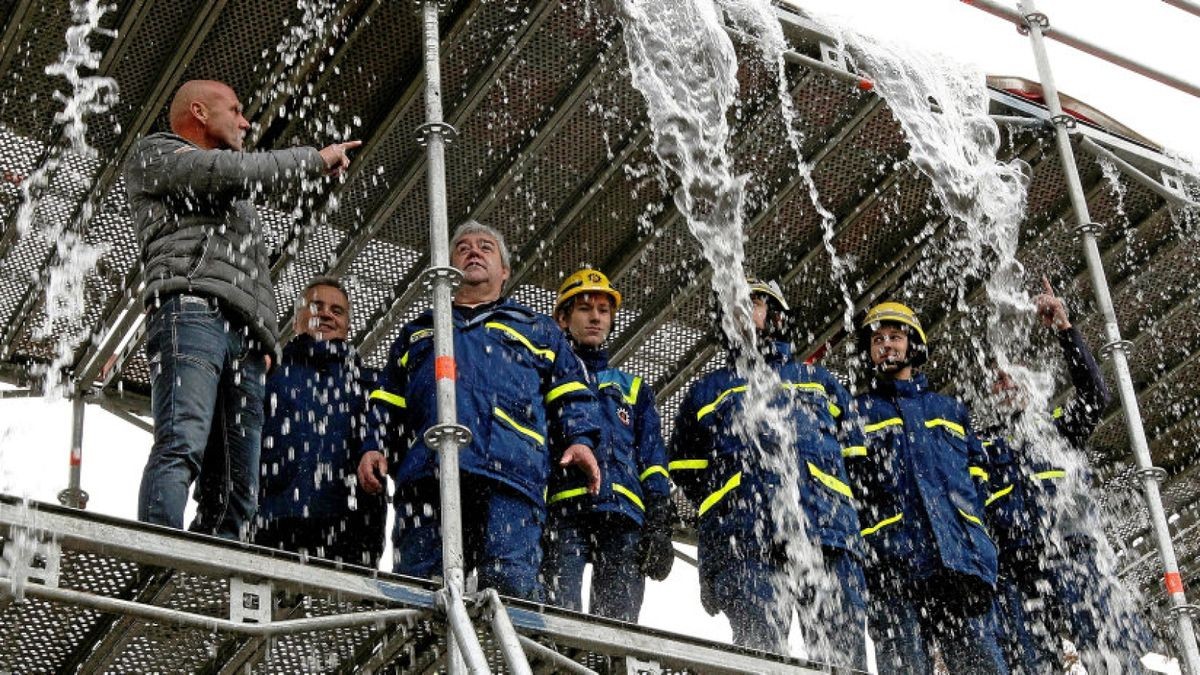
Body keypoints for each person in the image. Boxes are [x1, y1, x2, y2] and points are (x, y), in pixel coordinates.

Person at [126, 79, 360, 539]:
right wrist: (313, 160)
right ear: (197, 111)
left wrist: (266, 335)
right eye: (234, 110)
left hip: (245, 337)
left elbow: (252, 268)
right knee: (181, 442)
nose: (245, 120)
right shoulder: (156, 154)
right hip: (190, 310)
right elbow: (228, 172)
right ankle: (156, 549)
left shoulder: (225, 183)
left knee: (238, 483)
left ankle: (213, 568)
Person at [357, 221, 602, 599]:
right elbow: (388, 400)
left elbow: (571, 392)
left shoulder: (537, 329)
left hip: (510, 474)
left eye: (485, 247)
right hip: (428, 475)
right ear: (448, 267)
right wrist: (374, 445)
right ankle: (417, 654)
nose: (473, 252)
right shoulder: (418, 332)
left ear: (504, 271)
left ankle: (503, 656)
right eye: (462, 248)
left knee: (509, 587)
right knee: (418, 589)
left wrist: (581, 440)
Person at [669, 279, 868, 666]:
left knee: (844, 661)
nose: (741, 312)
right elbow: (686, 471)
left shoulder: (820, 382)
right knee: (761, 660)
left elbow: (857, 460)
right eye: (732, 306)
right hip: (745, 544)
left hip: (826, 539)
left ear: (776, 314)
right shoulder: (706, 392)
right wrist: (733, 509)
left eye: (752, 303)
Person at [983, 278, 1152, 673]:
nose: (1005, 382)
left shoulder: (1057, 428)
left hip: (1071, 554)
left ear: (1030, 386)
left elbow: (1095, 395)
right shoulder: (986, 446)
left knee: (1112, 651)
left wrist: (1065, 329)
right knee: (1031, 664)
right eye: (998, 379)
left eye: (1012, 376)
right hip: (1020, 574)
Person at [846, 301, 1007, 674]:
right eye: (877, 340)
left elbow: (978, 479)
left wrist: (970, 534)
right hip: (893, 569)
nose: (886, 345)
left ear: (914, 345)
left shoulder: (950, 411)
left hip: (958, 565)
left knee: (982, 666)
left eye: (895, 337)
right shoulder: (857, 413)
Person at [540, 269, 674, 621]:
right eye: (585, 308)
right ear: (563, 319)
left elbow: (653, 459)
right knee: (558, 624)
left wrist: (659, 522)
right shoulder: (547, 376)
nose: (596, 317)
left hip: (623, 518)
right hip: (563, 511)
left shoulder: (632, 388)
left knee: (617, 633)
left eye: (603, 309)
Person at [253, 277, 386, 567]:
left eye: (337, 311)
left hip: (352, 531)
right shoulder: (268, 373)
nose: (326, 314)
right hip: (274, 522)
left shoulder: (370, 384)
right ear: (298, 317)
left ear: (347, 325)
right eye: (316, 306)